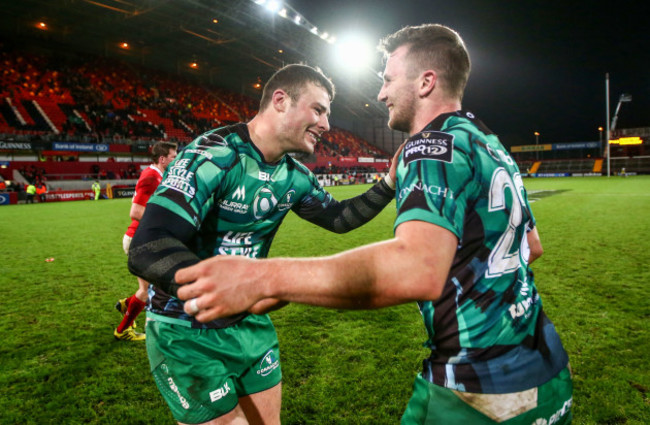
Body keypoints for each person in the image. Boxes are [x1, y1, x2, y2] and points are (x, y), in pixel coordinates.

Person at [173, 24, 573, 424]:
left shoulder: (430, 145)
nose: (381, 93)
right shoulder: (487, 141)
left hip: (478, 387)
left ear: (426, 82)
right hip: (546, 368)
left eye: (388, 80)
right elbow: (531, 245)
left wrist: (264, 277)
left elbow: (415, 269)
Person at [127, 64, 401, 425]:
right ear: (281, 100)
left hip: (251, 326)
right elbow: (149, 245)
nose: (326, 125)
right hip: (186, 333)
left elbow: (338, 218)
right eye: (318, 110)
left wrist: (388, 185)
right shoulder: (213, 155)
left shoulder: (296, 176)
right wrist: (219, 290)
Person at [114, 141, 178, 341]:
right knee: (148, 290)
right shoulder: (151, 176)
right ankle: (123, 329)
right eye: (173, 157)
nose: (175, 160)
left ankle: (127, 305)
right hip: (139, 240)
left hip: (142, 239)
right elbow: (135, 211)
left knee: (149, 288)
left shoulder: (158, 174)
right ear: (162, 159)